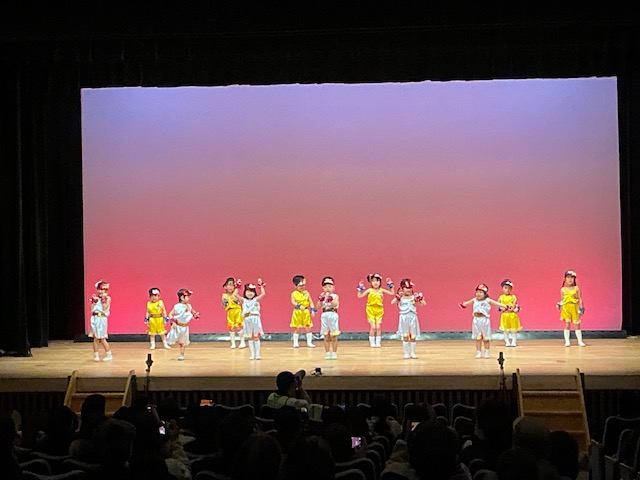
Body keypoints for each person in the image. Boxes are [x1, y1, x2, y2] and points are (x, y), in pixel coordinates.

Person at [459, 284, 507, 359]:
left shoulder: (487, 300)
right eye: (477, 292)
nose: (478, 294)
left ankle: (487, 352)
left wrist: (504, 306)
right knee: (478, 338)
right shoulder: (474, 300)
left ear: (485, 293)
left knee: (486, 338)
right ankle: (478, 352)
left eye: (481, 292)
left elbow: (496, 303)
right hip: (476, 321)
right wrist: (463, 304)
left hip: (484, 320)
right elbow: (467, 303)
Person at [390, 278, 426, 359]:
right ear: (402, 288)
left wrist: (419, 298)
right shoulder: (401, 298)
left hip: (413, 317)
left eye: (410, 288)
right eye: (406, 288)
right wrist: (398, 297)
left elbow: (423, 303)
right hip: (404, 318)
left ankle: (412, 353)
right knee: (405, 336)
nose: (408, 290)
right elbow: (392, 302)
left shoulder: (413, 297)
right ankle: (406, 353)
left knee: (413, 336)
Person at [357, 273, 395, 347]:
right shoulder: (369, 290)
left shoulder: (381, 290)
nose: (375, 283)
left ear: (380, 282)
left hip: (379, 310)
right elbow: (359, 296)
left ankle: (378, 342)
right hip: (370, 309)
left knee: (378, 327)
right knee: (373, 327)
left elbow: (392, 293)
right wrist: (360, 287)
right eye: (373, 281)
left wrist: (390, 284)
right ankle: (372, 342)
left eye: (377, 281)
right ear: (371, 282)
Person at [167, 288, 200, 361]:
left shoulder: (189, 306)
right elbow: (170, 314)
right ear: (182, 297)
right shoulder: (177, 306)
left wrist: (196, 315)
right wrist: (173, 321)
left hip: (185, 327)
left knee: (183, 342)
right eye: (187, 297)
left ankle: (181, 354)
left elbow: (193, 312)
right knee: (174, 338)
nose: (189, 298)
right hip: (177, 326)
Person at [556, 270, 586, 347]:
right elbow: (562, 300)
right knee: (567, 324)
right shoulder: (563, 289)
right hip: (566, 308)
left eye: (572, 278)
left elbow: (580, 299)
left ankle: (580, 341)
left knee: (577, 324)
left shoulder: (576, 288)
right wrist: (559, 304)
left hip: (574, 307)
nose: (570, 279)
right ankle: (567, 341)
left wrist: (581, 308)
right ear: (565, 279)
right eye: (568, 277)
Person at [241, 279, 266, 360]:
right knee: (250, 337)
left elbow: (263, 294)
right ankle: (252, 354)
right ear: (245, 292)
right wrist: (237, 287)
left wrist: (261, 286)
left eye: (252, 291)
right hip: (247, 320)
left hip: (255, 319)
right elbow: (235, 295)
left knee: (256, 337)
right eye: (248, 291)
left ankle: (257, 354)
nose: (250, 293)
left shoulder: (255, 300)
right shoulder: (243, 300)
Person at [89, 280, 113, 362]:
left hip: (101, 318)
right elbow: (91, 309)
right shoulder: (95, 298)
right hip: (94, 318)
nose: (100, 291)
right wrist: (93, 302)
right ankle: (96, 355)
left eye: (102, 289)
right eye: (99, 289)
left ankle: (109, 354)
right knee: (95, 337)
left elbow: (105, 308)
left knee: (102, 338)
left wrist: (103, 300)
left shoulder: (108, 298)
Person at [290, 275, 316, 348]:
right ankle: (295, 343)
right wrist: (299, 306)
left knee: (308, 327)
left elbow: (311, 302)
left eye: (303, 285)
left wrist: (313, 310)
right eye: (300, 286)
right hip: (297, 312)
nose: (302, 287)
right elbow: (293, 302)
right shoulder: (294, 293)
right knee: (297, 328)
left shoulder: (307, 293)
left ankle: (309, 342)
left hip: (306, 312)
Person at [318, 276, 340, 359]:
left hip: (332, 314)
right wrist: (321, 299)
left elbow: (335, 304)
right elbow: (318, 306)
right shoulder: (322, 296)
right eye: (325, 287)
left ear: (333, 287)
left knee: (333, 335)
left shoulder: (335, 296)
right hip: (325, 314)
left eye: (329, 286)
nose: (327, 288)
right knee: (326, 335)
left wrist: (330, 299)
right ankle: (327, 353)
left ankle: (334, 353)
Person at [222, 277, 246, 349]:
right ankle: (233, 343)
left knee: (239, 326)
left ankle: (242, 342)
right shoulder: (224, 295)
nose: (230, 287)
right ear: (225, 286)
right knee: (231, 327)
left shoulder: (236, 295)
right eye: (229, 285)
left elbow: (242, 302)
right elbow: (223, 305)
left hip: (237, 311)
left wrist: (237, 297)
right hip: (230, 312)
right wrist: (224, 303)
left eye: (232, 285)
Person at [497, 280, 522, 347]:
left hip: (512, 315)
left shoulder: (513, 297)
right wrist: (501, 308)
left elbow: (516, 305)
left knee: (513, 330)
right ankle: (507, 342)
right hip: (505, 315)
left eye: (509, 288)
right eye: (505, 288)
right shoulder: (501, 297)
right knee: (505, 330)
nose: (507, 290)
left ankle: (514, 341)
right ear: (502, 289)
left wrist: (516, 309)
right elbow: (498, 305)